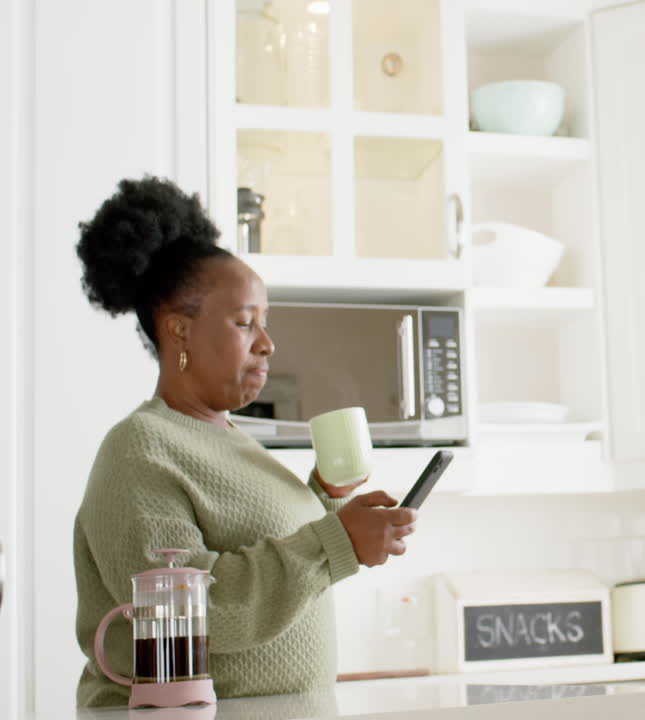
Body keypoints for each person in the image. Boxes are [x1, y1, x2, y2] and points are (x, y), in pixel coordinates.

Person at [71, 176, 417, 707]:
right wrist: (336, 541)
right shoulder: (139, 450)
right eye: (244, 322)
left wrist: (324, 496)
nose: (268, 343)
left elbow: (268, 553)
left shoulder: (237, 442)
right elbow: (195, 614)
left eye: (265, 323)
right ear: (178, 330)